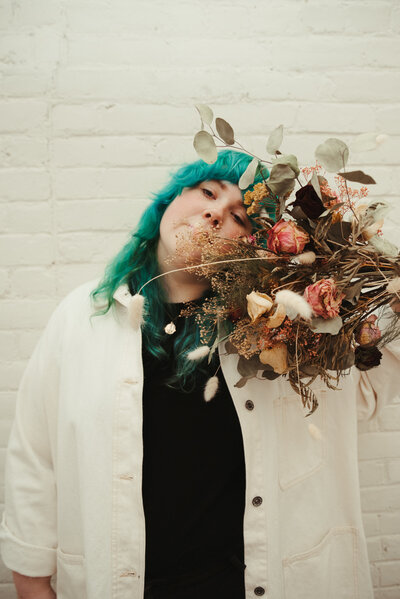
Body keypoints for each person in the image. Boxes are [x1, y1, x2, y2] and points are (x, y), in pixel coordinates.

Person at [1, 148, 399, 599]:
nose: (214, 213)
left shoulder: (279, 332)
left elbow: (363, 391)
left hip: (241, 581)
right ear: (167, 202)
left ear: (253, 248)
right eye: (206, 192)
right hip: (121, 582)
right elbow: (34, 455)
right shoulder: (80, 316)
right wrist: (31, 579)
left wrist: (373, 279)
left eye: (239, 216)